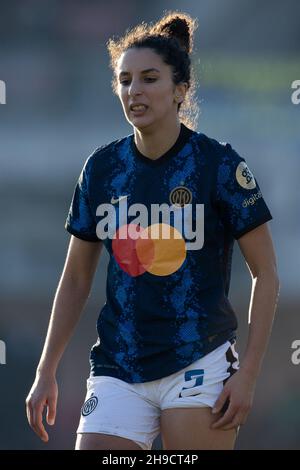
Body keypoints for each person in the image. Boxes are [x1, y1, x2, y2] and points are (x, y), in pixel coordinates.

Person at [26, 11, 280, 450]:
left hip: (200, 361)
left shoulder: (219, 165)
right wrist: (46, 369)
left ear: (181, 89)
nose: (134, 91)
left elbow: (266, 274)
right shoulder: (102, 169)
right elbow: (76, 278)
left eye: (148, 78)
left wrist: (249, 377)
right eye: (125, 80)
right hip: (118, 366)